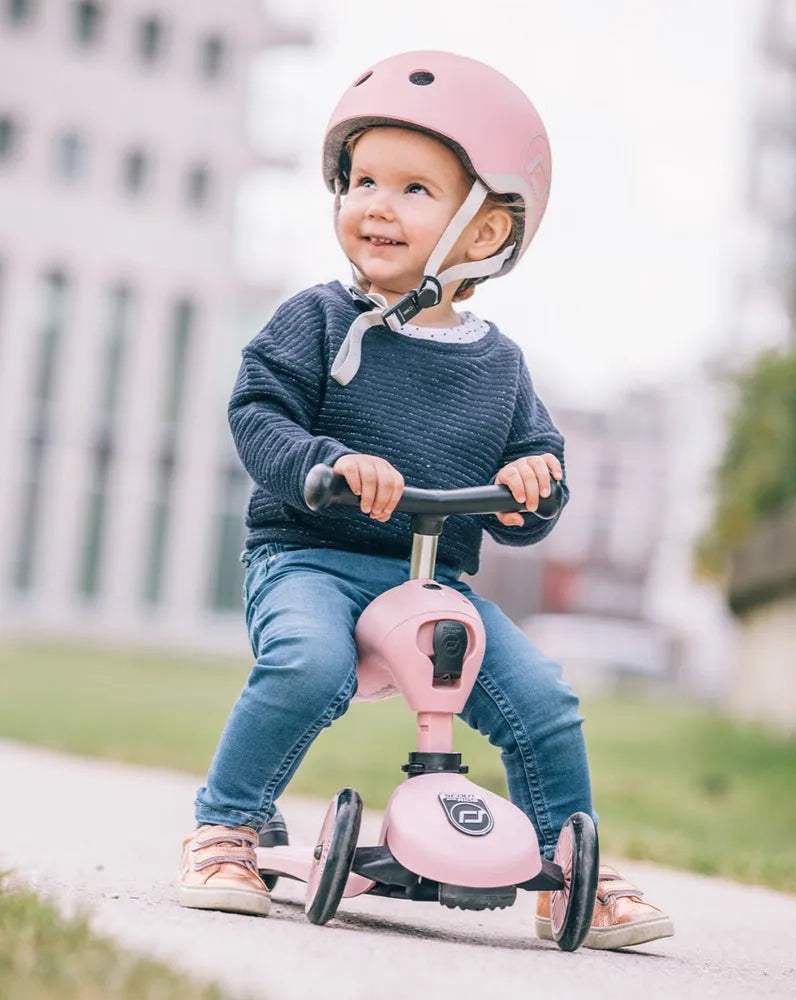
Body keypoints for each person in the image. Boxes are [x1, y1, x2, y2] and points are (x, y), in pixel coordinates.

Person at [179, 50, 673, 950]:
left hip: (435, 580)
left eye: (413, 189)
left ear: (484, 233)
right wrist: (325, 462)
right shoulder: (320, 321)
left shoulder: (499, 364)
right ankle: (228, 829)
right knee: (306, 665)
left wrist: (532, 489)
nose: (376, 203)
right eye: (361, 179)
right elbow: (258, 411)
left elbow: (538, 468)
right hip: (309, 560)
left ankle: (571, 876)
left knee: (543, 700)